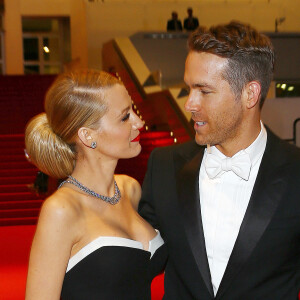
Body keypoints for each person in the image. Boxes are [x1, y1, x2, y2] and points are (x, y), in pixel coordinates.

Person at [139, 21, 300, 299]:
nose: (189, 103)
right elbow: (137, 263)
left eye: (205, 91)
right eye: (189, 88)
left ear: (250, 93)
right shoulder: (164, 165)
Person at [25, 70, 167, 300]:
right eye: (124, 117)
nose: (139, 122)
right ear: (88, 135)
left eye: (133, 110)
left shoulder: (130, 189)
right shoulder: (61, 210)